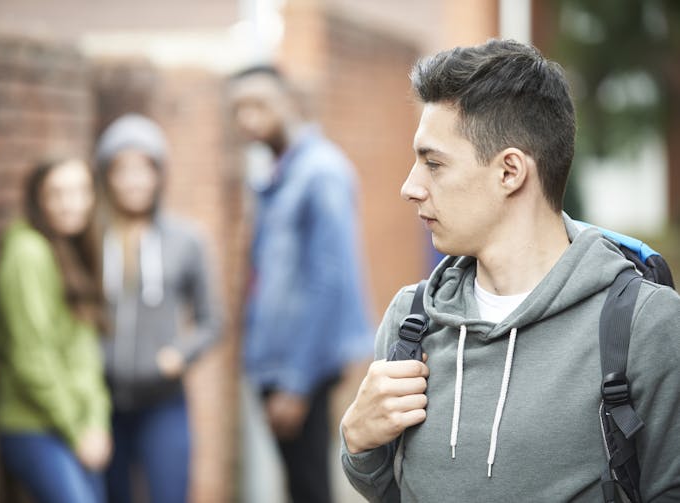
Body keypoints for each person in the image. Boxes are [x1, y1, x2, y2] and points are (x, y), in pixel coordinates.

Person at [340, 39, 680, 502]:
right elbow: (389, 490)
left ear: (510, 172)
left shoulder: (646, 326)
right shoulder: (411, 321)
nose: (410, 187)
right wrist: (359, 444)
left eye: (433, 163)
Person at [228, 65, 373, 503]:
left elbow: (330, 281)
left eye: (258, 105)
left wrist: (295, 381)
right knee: (297, 485)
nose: (247, 119)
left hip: (300, 367)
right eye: (239, 109)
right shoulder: (277, 172)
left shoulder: (319, 172)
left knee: (309, 487)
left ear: (288, 102)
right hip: (275, 360)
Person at [94, 113, 221, 503]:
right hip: (100, 403)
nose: (134, 180)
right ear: (107, 176)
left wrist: (180, 355)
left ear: (158, 174)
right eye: (122, 170)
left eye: (144, 169)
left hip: (163, 402)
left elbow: (212, 320)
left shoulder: (187, 239)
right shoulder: (93, 238)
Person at [0, 157, 111, 503]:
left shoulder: (73, 249)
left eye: (79, 191)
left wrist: (97, 423)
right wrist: (79, 431)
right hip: (34, 425)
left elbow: (86, 355)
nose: (69, 203)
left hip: (78, 427)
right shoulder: (28, 252)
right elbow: (32, 357)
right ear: (38, 200)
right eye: (57, 193)